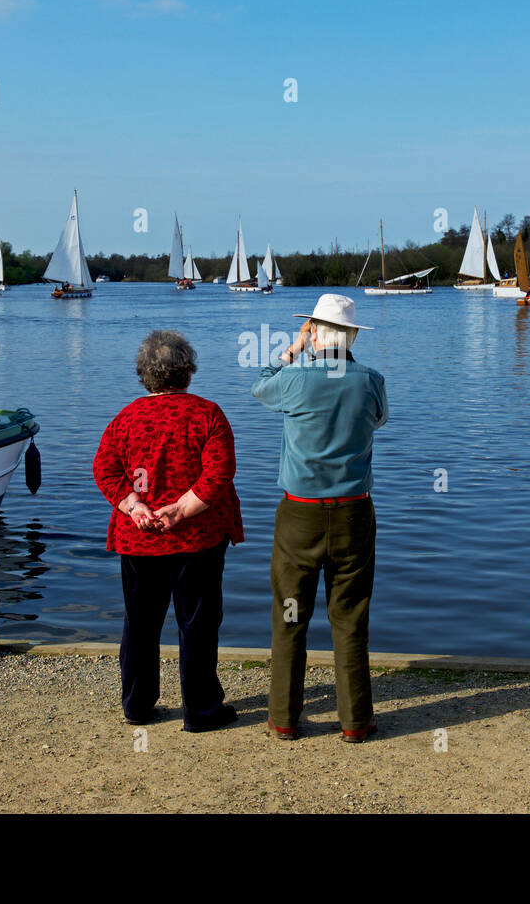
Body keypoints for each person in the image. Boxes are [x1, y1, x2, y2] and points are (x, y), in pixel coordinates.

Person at [252, 294, 388, 743]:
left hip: (300, 514)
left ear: (314, 332)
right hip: (353, 512)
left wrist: (292, 350)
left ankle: (285, 718)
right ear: (350, 336)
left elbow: (261, 387)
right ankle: (355, 721)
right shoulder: (370, 380)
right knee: (349, 616)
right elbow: (379, 420)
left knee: (290, 614)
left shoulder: (294, 378)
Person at [92, 330, 243, 732]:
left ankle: (137, 706)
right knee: (197, 623)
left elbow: (104, 470)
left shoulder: (124, 418)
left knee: (140, 623)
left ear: (144, 375)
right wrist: (181, 510)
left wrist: (135, 505)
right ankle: (201, 711)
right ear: (188, 371)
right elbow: (219, 474)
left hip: (139, 537)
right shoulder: (207, 413)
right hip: (198, 539)